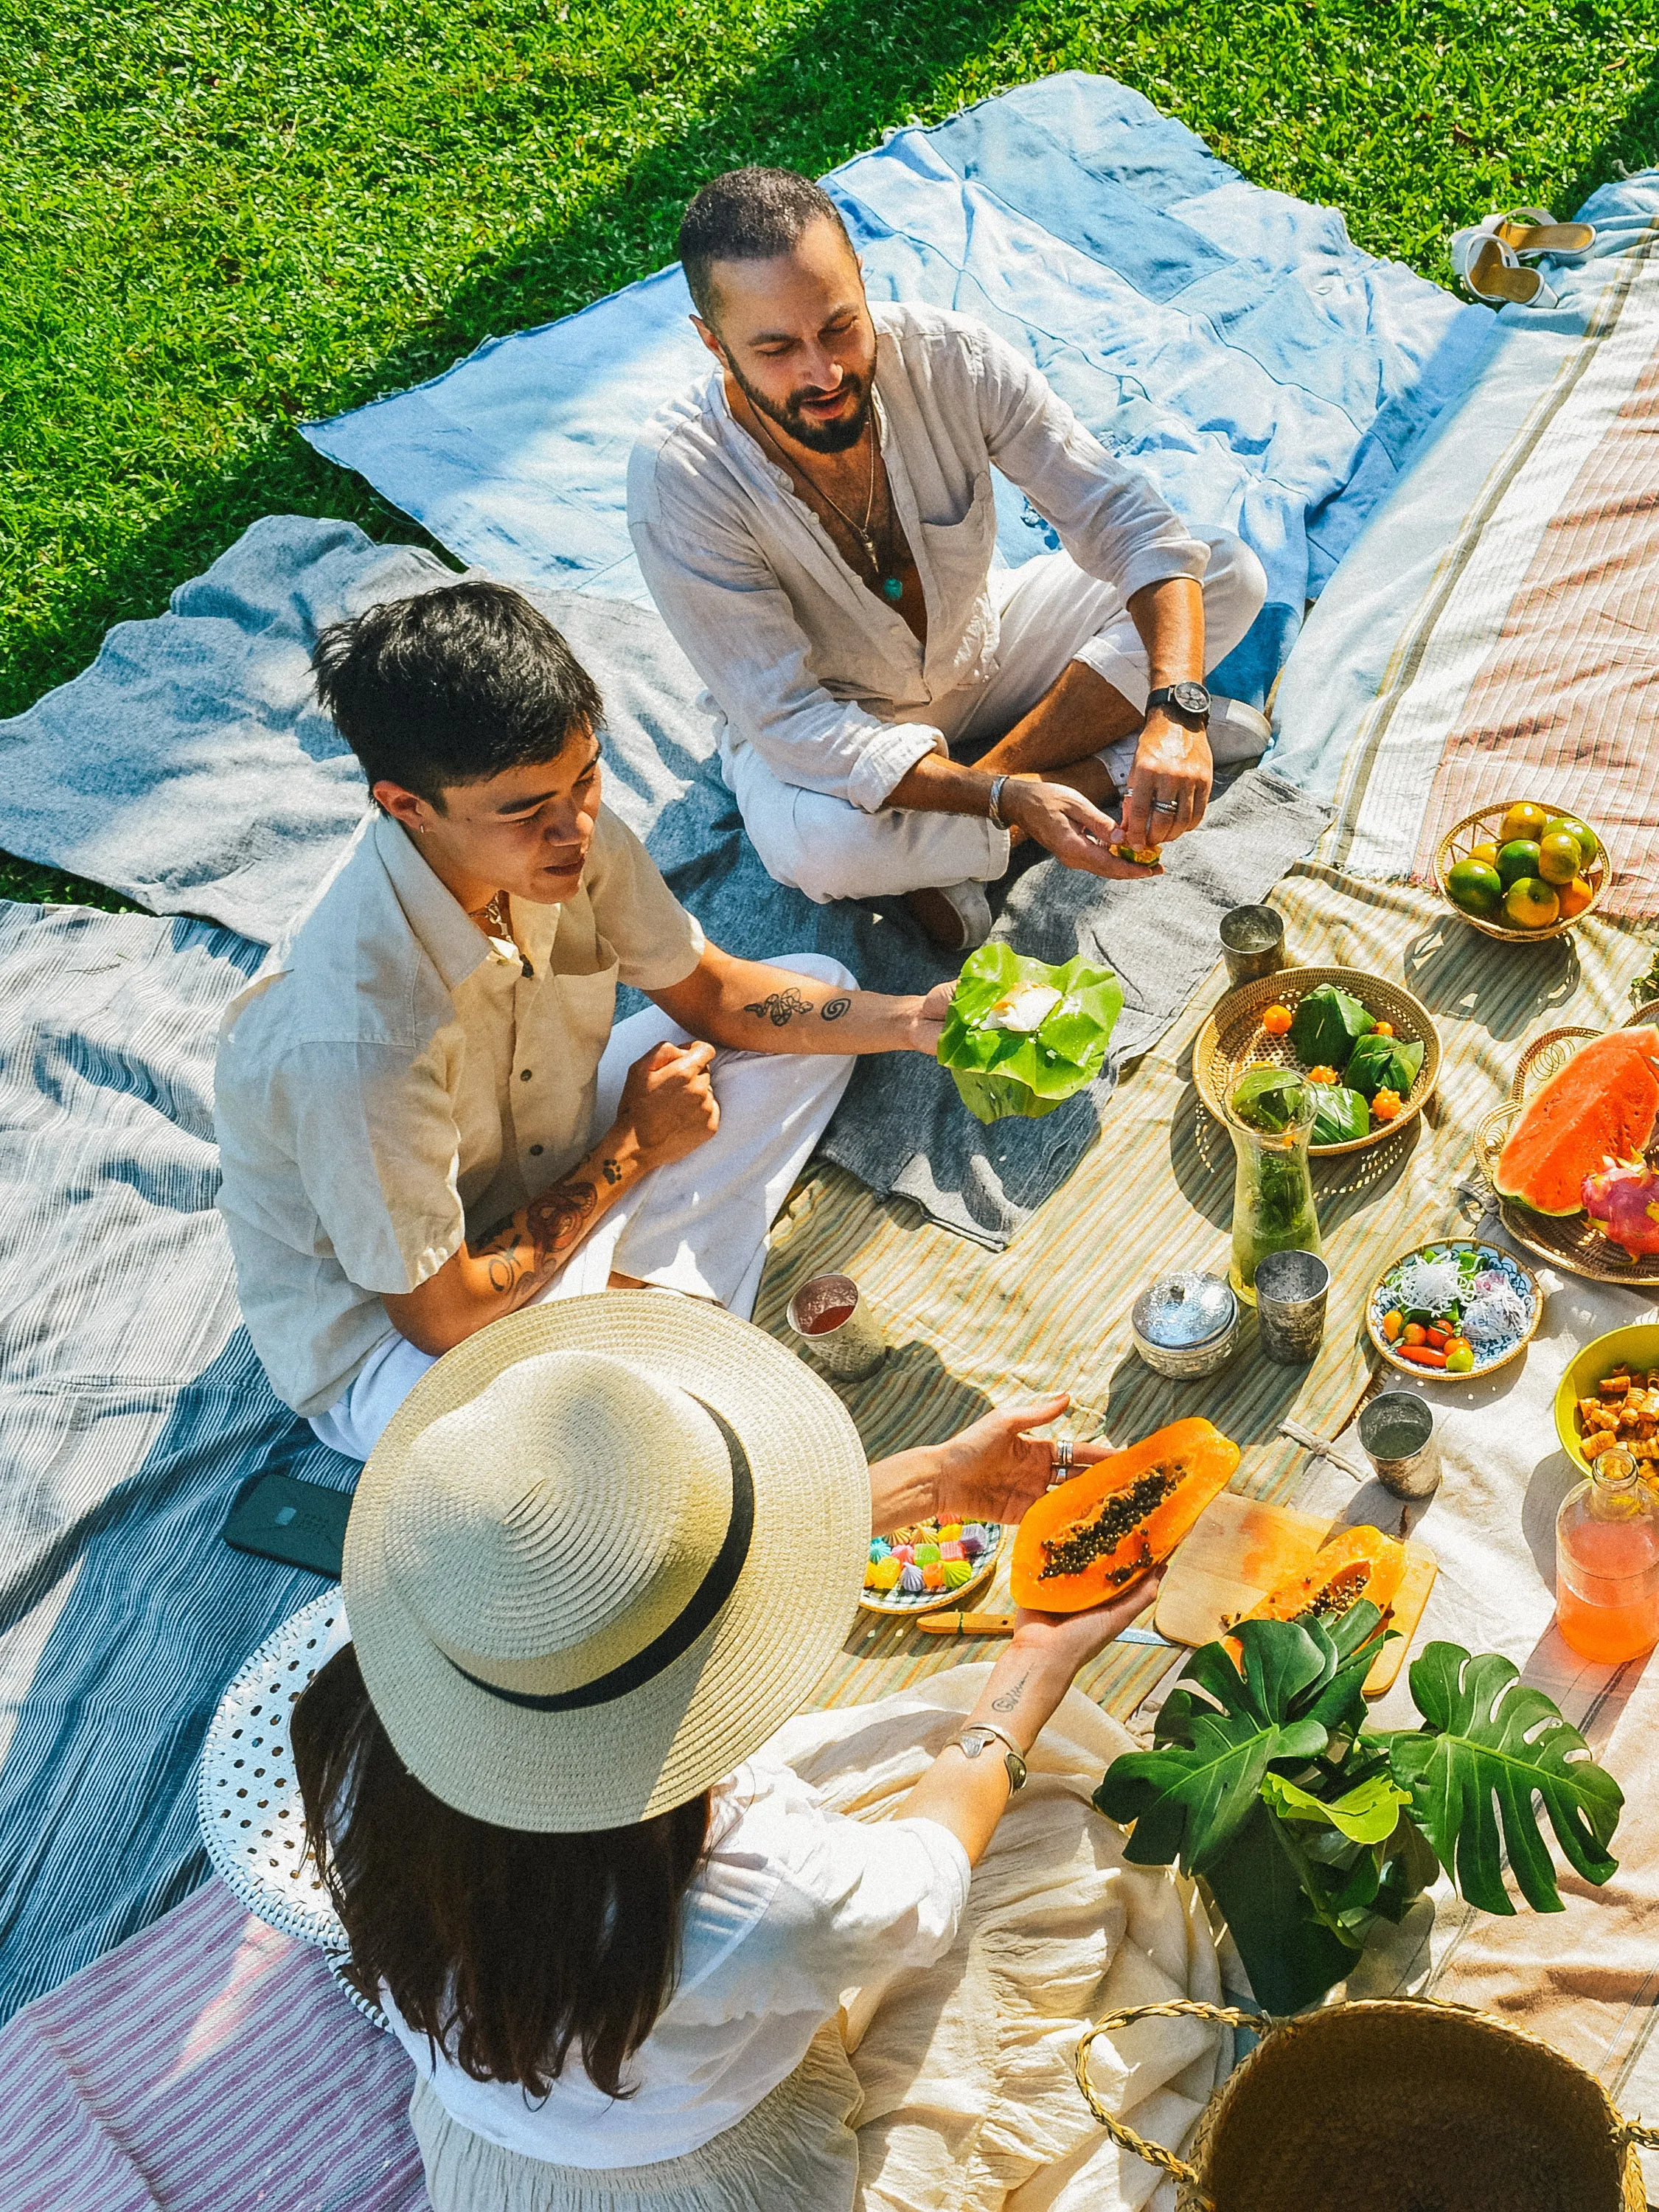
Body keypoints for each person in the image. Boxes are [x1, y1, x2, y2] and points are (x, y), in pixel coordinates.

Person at [287, 1293, 1205, 2211]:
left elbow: (671, 1589)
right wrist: (1034, 1666)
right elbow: (922, 1891)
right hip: (717, 2182)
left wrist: (936, 1482)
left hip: (505, 2152)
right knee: (1053, 1829)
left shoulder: (368, 1724)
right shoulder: (748, 1893)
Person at [213, 582, 950, 1461]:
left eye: (587, 777)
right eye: (525, 811)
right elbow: (440, 1319)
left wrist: (914, 1019)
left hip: (544, 1158)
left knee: (818, 986)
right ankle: (643, 1317)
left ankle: (634, 1308)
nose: (576, 829)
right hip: (401, 1342)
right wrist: (634, 1149)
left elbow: (713, 997)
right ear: (407, 805)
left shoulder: (568, 832)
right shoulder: (360, 1038)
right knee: (576, 1449)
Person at [627, 166, 1270, 950]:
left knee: (1223, 569)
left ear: (862, 280)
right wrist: (1004, 798)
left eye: (839, 327)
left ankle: (1002, 827)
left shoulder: (952, 358)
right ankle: (1109, 771)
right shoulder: (678, 479)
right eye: (775, 349)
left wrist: (1176, 709)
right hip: (835, 733)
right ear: (712, 342)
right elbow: (794, 723)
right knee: (817, 848)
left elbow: (1127, 518)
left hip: (982, 652)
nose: (822, 374)